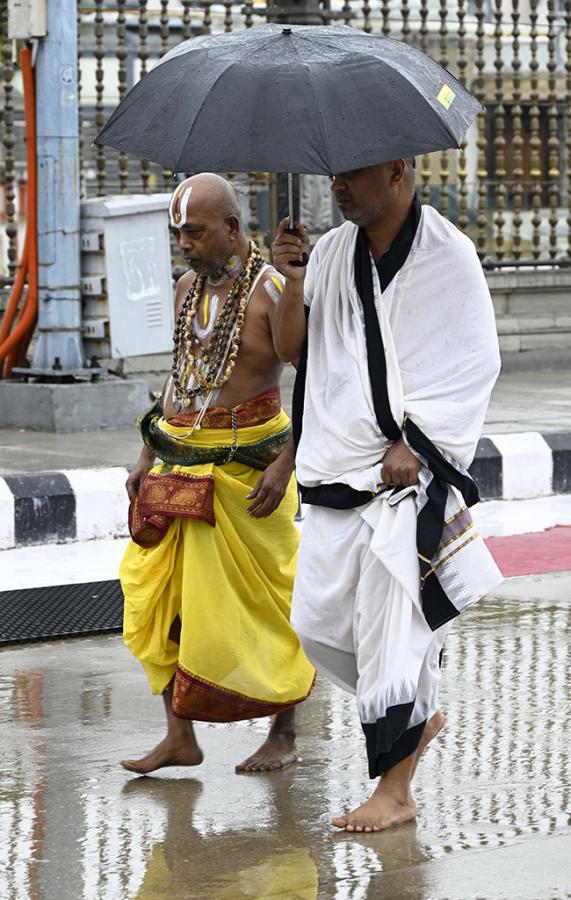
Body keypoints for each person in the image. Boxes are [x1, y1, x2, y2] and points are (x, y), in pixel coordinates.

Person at [271, 159, 502, 832]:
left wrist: (415, 441)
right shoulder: (334, 252)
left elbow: (469, 362)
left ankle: (393, 790)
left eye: (352, 175)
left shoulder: (447, 256)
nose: (337, 187)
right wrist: (291, 281)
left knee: (393, 630)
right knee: (317, 623)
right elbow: (297, 351)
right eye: (334, 175)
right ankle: (414, 718)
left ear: (397, 172)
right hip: (337, 466)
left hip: (408, 475)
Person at [119, 173, 315, 776]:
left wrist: (287, 463)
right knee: (158, 594)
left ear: (232, 229)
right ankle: (179, 735)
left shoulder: (271, 290)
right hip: (182, 459)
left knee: (272, 607)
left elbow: (308, 371)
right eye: (179, 233)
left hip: (252, 472)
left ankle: (283, 733)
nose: (185, 244)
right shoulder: (185, 289)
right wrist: (148, 450)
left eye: (196, 232)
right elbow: (181, 378)